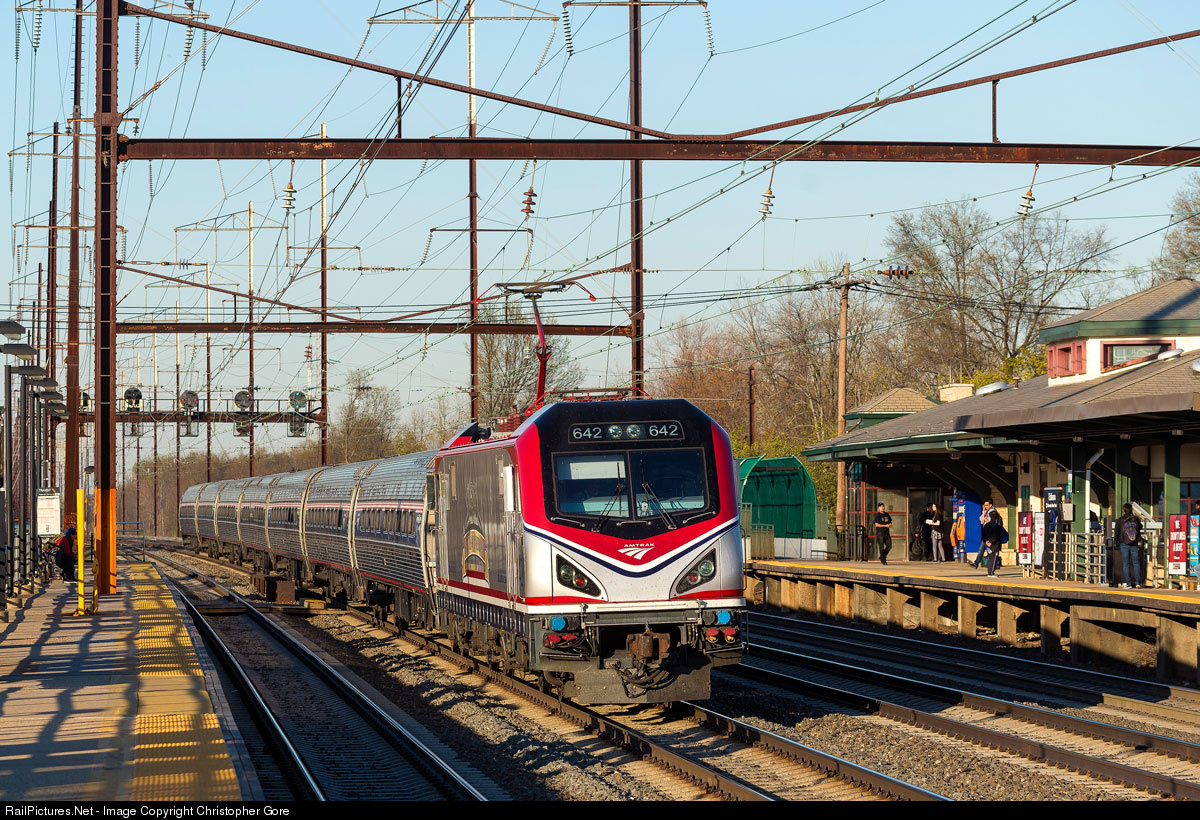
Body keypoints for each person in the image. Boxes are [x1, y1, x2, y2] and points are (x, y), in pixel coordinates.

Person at [1115, 503, 1144, 589]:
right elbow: (1140, 527)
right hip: (1134, 544)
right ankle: (1138, 583)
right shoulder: (1135, 519)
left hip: (1124, 544)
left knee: (1126, 563)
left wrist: (1116, 543)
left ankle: (1128, 583)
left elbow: (1117, 532)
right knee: (1136, 563)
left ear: (1123, 510)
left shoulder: (1120, 520)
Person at [981, 509, 1007, 577]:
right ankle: (991, 573)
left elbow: (983, 534)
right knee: (994, 559)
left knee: (990, 558)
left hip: (988, 545)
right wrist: (991, 542)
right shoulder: (996, 526)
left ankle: (990, 572)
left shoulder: (986, 525)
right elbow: (996, 536)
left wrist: (986, 541)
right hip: (994, 545)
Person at [972, 500, 995, 568]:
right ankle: (977, 563)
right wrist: (984, 512)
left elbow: (991, 523)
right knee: (982, 549)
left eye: (987, 505)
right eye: (984, 505)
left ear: (990, 505)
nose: (985, 507)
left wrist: (985, 519)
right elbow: (981, 521)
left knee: (988, 549)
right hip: (985, 533)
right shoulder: (986, 512)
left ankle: (990, 564)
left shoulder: (993, 513)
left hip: (990, 534)